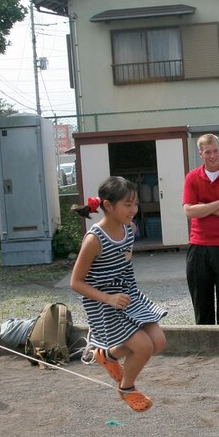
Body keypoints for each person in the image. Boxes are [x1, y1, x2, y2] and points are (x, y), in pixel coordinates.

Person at [70, 177, 167, 412]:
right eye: (127, 204)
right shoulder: (94, 239)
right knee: (143, 346)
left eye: (135, 204)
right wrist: (108, 298)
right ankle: (127, 389)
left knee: (160, 342)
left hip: (128, 296)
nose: (133, 210)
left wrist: (121, 294)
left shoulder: (129, 229)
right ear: (108, 205)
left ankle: (108, 355)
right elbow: (75, 282)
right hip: (103, 302)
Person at [182, 133, 219, 325]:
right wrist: (218, 203)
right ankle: (206, 345)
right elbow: (189, 211)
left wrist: (204, 207)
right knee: (201, 298)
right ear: (200, 153)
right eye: (208, 152)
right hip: (199, 245)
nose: (212, 155)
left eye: (215, 150)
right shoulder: (192, 177)